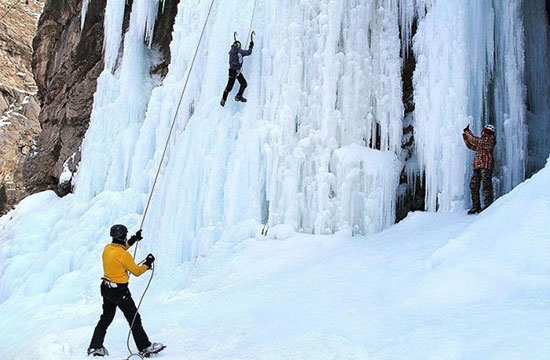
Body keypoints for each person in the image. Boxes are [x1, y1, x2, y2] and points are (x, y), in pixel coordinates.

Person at [88, 225, 165, 357]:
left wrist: (133, 239)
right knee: (134, 318)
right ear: (123, 236)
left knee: (106, 318)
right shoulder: (124, 255)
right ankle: (145, 347)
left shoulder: (107, 249)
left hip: (106, 288)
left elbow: (120, 248)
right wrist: (148, 263)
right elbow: (136, 271)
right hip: (119, 292)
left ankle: (95, 346)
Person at [462, 124, 496, 214]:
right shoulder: (483, 142)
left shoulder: (490, 140)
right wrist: (465, 137)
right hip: (478, 166)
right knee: (473, 186)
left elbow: (475, 140)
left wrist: (467, 132)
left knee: (486, 186)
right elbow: (471, 146)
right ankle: (476, 206)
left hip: (486, 166)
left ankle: (488, 205)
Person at [220, 39, 254, 106]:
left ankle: (224, 98)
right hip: (236, 71)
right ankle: (238, 95)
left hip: (231, 71)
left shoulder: (231, 52)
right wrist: (251, 45)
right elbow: (249, 52)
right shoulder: (239, 51)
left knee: (229, 87)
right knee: (244, 84)